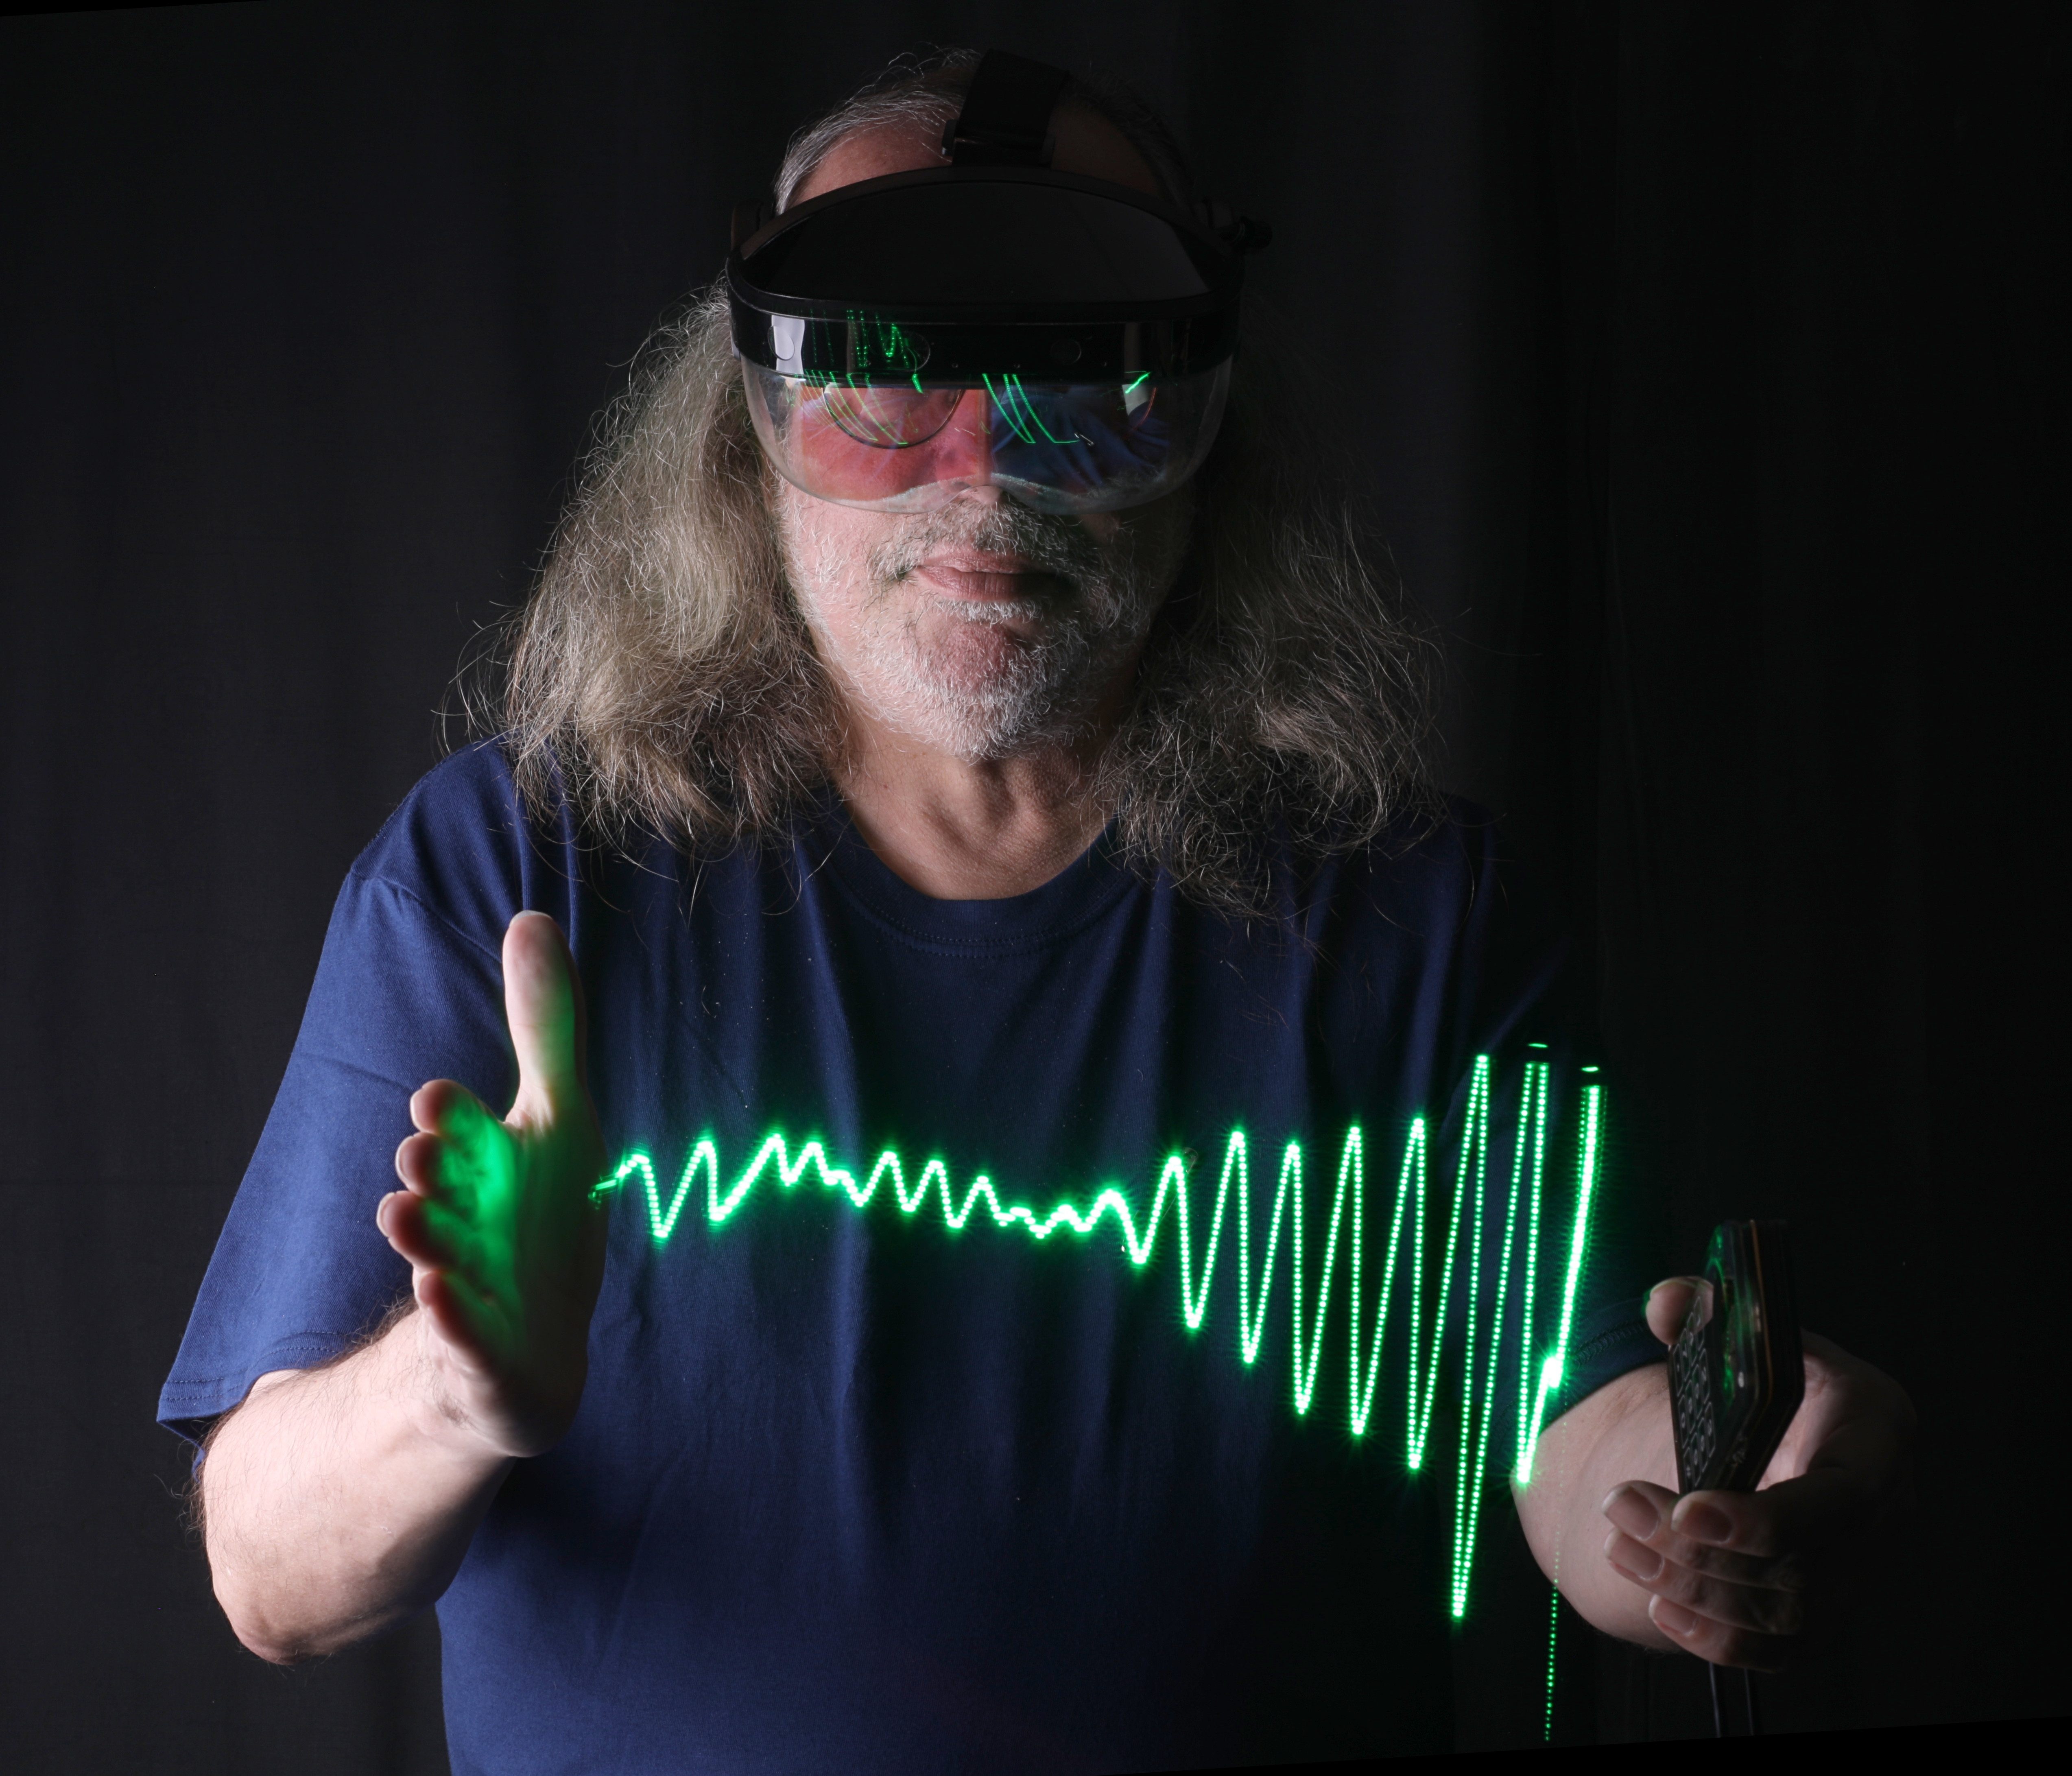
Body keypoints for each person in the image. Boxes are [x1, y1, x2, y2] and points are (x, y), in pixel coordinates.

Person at [162, 49, 1915, 1772]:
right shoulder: (516, 869)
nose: (983, 466)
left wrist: (1718, 1499)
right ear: (747, 435)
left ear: (1209, 438)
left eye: (1085, 374)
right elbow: (269, 1577)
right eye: (886, 378)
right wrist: (451, 1393)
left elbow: (1576, 1441)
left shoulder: (1418, 905)